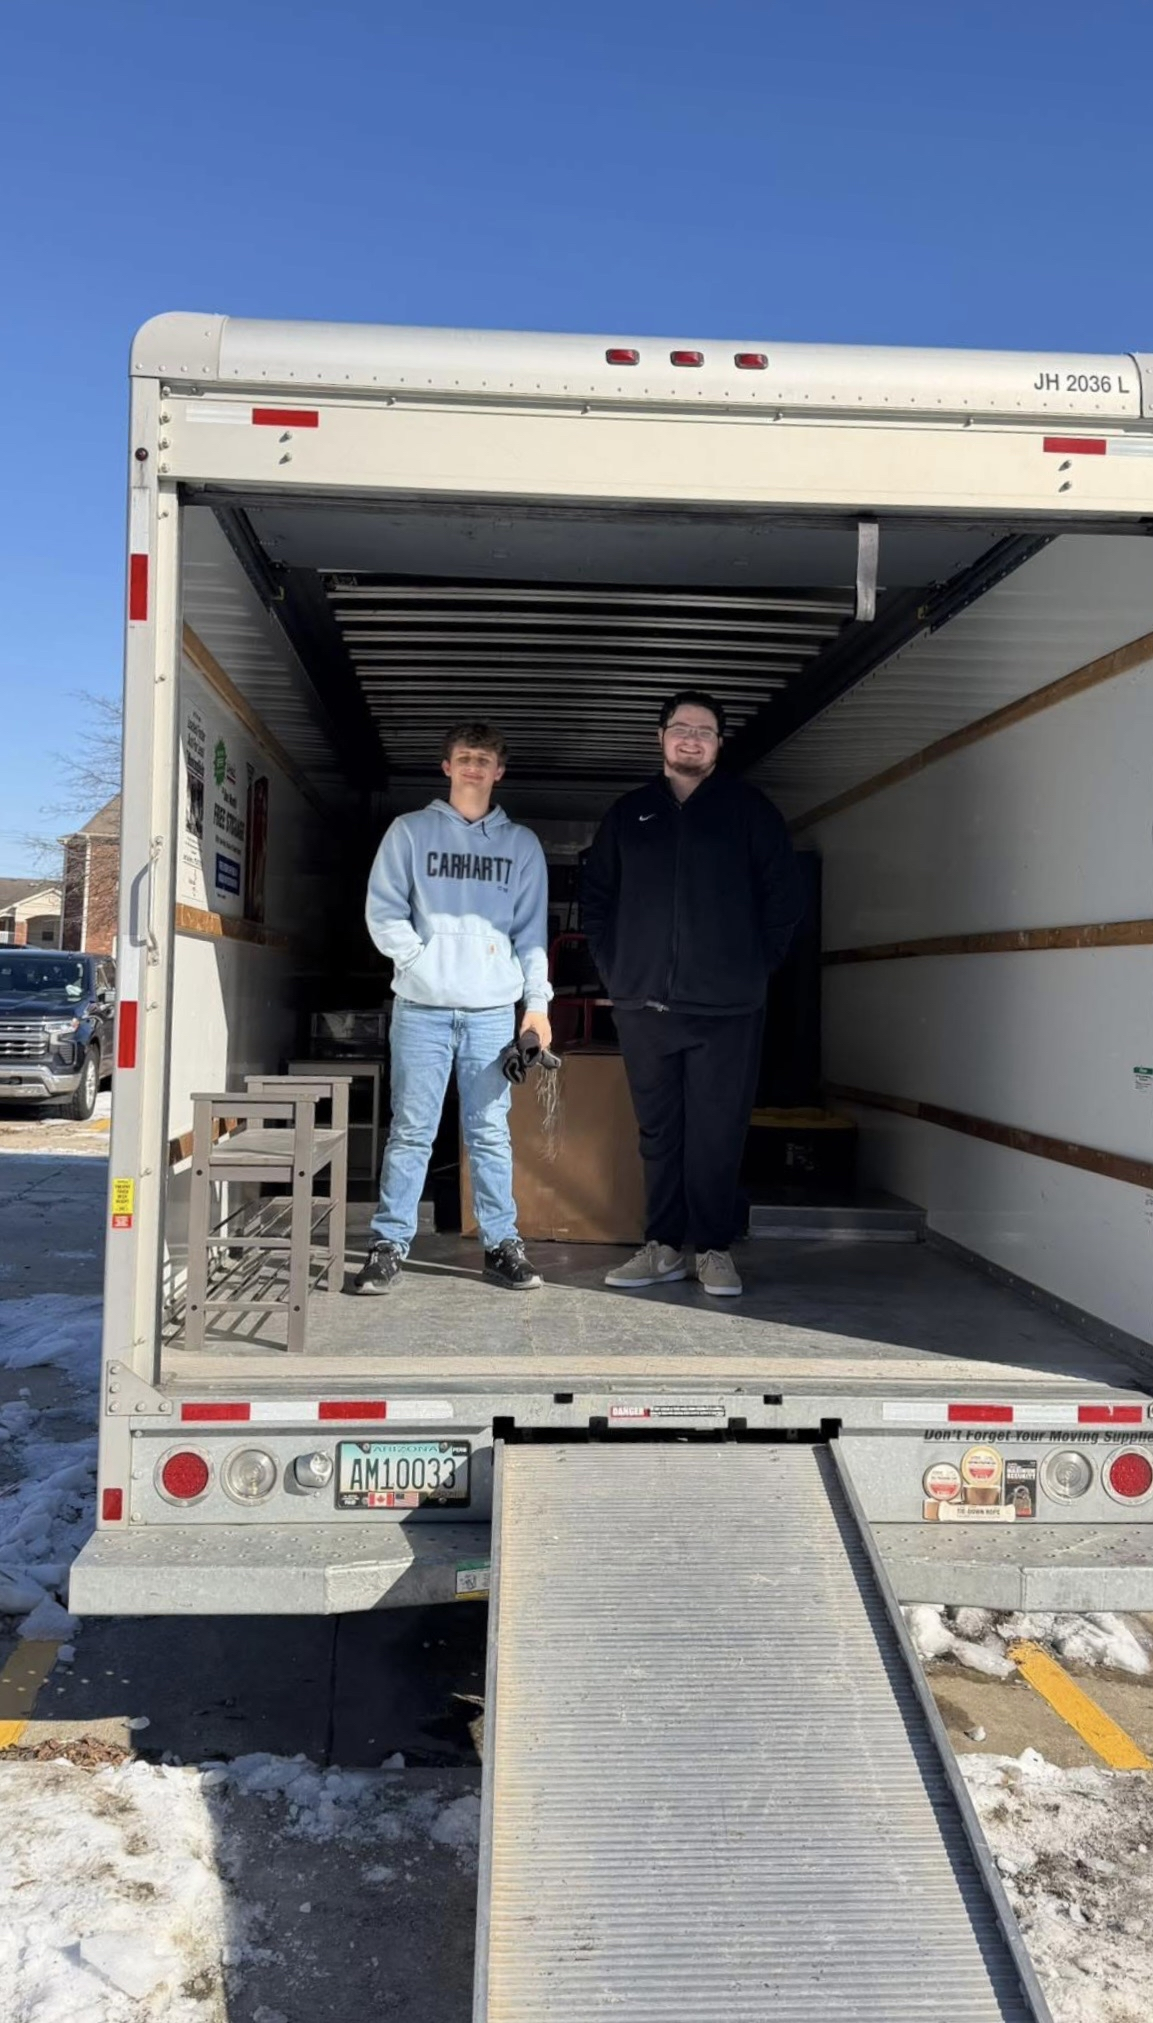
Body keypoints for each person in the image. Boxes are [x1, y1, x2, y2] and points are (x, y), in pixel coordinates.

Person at [582, 689, 804, 1298]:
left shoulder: (750, 811)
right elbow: (597, 898)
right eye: (681, 727)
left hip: (727, 1010)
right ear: (660, 737)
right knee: (657, 1133)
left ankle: (712, 1249)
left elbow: (783, 902)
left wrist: (751, 970)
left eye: (704, 731)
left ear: (718, 745)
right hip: (644, 1006)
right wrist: (616, 968)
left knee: (717, 1132)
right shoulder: (628, 814)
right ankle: (661, 1248)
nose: (691, 738)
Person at [353, 722, 552, 1294]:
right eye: (464, 758)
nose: (473, 767)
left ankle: (501, 1244)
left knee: (490, 1133)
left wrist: (535, 1007)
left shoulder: (521, 846)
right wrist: (420, 961)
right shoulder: (409, 833)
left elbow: (532, 934)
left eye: (484, 760)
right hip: (421, 1008)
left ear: (499, 771)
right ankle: (389, 1243)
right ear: (446, 767)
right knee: (412, 1131)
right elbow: (384, 912)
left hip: (492, 1012)